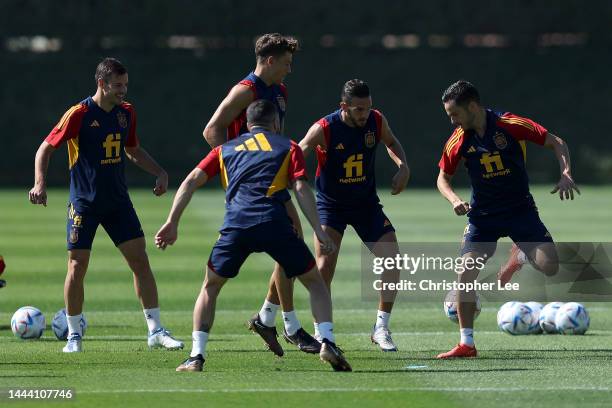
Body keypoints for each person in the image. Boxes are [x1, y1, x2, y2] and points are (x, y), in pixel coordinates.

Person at [156, 100, 352, 372]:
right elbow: (300, 187)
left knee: (210, 287)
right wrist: (319, 230)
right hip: (274, 223)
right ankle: (327, 342)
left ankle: (196, 356)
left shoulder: (225, 149)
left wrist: (171, 221)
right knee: (315, 282)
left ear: (248, 125)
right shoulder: (288, 146)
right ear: (275, 123)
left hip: (237, 225)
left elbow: (190, 181)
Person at [28, 57, 183, 353]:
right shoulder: (79, 113)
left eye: (125, 85)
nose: (123, 91)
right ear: (102, 83)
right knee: (77, 265)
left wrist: (160, 171)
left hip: (117, 202)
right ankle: (74, 335)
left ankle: (155, 330)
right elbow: (45, 148)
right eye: (118, 85)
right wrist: (39, 183)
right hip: (84, 204)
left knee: (140, 261)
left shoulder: (127, 112)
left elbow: (133, 149)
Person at [436, 80, 579, 358]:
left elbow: (555, 141)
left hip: (519, 211)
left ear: (473, 107)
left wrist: (566, 173)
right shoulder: (458, 139)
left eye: (455, 114)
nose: (452, 120)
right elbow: (442, 178)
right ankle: (467, 344)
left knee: (550, 266)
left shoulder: (510, 124)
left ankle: (519, 257)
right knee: (465, 273)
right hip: (483, 217)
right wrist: (454, 200)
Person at [203, 33, 318, 355]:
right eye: (285, 63)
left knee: (291, 243)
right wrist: (234, 169)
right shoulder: (246, 90)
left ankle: (270, 318)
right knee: (290, 244)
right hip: (252, 188)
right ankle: (289, 325)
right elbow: (212, 129)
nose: (289, 70)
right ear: (268, 61)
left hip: (272, 180)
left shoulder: (279, 91)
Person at [298, 79, 410, 352]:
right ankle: (322, 332)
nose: (365, 114)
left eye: (368, 107)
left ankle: (381, 328)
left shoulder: (376, 120)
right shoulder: (324, 128)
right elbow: (299, 153)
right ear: (344, 107)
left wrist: (403, 166)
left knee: (392, 259)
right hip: (330, 206)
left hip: (365, 205)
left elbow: (392, 142)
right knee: (324, 267)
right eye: (359, 109)